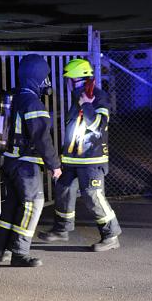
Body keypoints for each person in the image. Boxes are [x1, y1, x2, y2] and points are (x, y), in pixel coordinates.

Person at [37, 58, 122, 251]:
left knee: (93, 195)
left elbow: (98, 126)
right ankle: (62, 230)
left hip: (92, 160)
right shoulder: (78, 99)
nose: (66, 83)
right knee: (64, 189)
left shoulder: (98, 97)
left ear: (77, 79)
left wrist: (86, 105)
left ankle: (111, 235)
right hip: (72, 159)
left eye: (69, 79)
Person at [0, 54, 62, 267]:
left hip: (8, 161)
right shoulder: (33, 102)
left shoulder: (12, 96)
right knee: (33, 204)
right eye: (45, 76)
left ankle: (1, 249)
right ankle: (20, 253)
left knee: (13, 203)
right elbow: (41, 137)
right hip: (25, 164)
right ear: (37, 76)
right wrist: (54, 165)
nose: (46, 82)